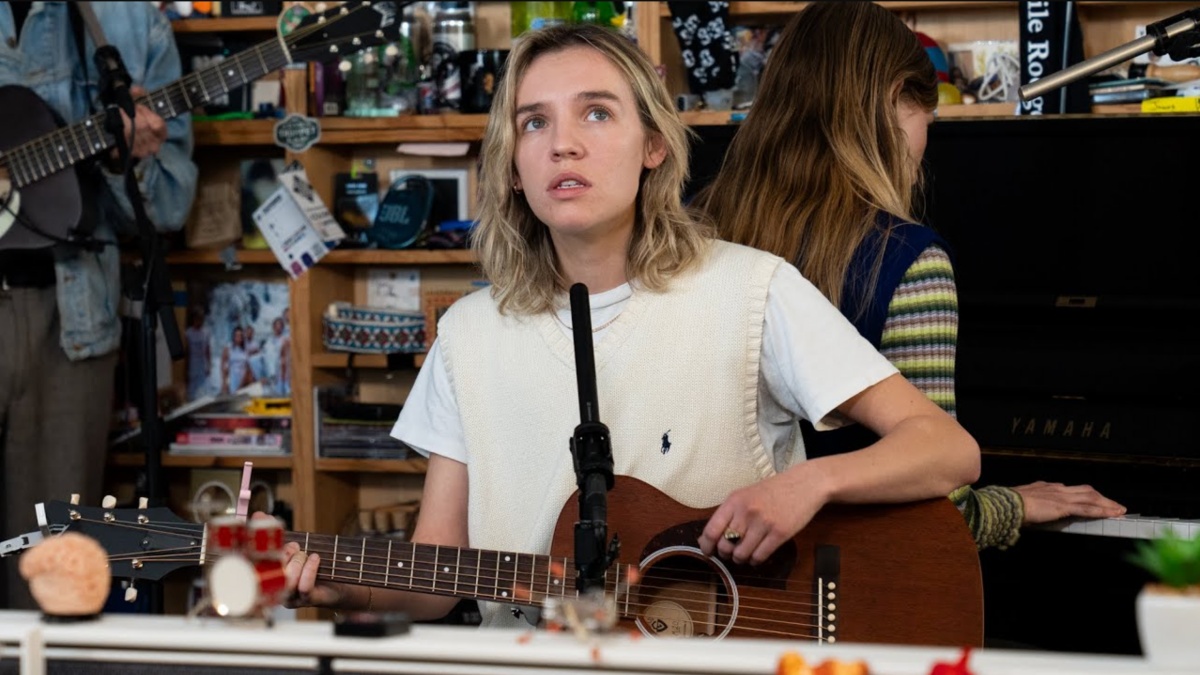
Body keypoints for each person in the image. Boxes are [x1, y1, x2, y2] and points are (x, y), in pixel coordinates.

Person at [279, 22, 980, 628]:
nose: (563, 145)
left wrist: (808, 484)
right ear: (515, 170)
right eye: (534, 121)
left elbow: (946, 449)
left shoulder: (751, 289)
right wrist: (337, 582)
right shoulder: (468, 334)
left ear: (654, 146)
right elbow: (441, 573)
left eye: (596, 114)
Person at [694, 1, 1124, 550]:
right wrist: (1015, 505)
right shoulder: (906, 260)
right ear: (896, 98)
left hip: (709, 568)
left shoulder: (694, 235)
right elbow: (937, 514)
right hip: (851, 590)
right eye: (928, 119)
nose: (923, 148)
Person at [0, 2, 197, 610]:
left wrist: (124, 159)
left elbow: (168, 208)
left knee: (44, 567)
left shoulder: (127, 22)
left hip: (69, 321)